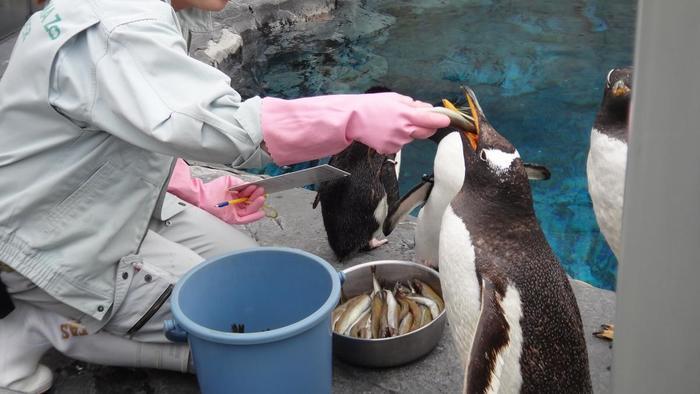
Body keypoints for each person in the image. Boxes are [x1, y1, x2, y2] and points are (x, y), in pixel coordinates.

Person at [0, 0, 450, 392]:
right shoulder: (118, 28)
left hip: (96, 207)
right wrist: (351, 116)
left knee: (253, 274)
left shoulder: (139, 9)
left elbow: (127, 125)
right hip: (49, 242)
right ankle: (42, 326)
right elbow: (229, 128)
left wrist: (194, 189)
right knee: (253, 332)